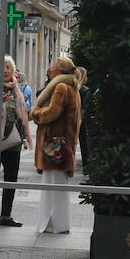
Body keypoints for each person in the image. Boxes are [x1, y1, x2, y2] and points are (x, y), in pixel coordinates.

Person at [29, 56, 83, 233]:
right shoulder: (72, 87)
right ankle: (57, 224)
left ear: (60, 70)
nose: (50, 68)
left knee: (51, 188)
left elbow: (52, 113)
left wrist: (35, 112)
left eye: (53, 66)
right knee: (58, 188)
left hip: (54, 146)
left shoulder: (60, 87)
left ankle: (52, 224)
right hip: (62, 146)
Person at [0, 56, 31, 228]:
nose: (5, 70)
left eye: (8, 67)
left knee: (11, 178)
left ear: (13, 71)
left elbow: (23, 115)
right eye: (2, 67)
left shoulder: (18, 90)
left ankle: (6, 216)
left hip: (13, 140)